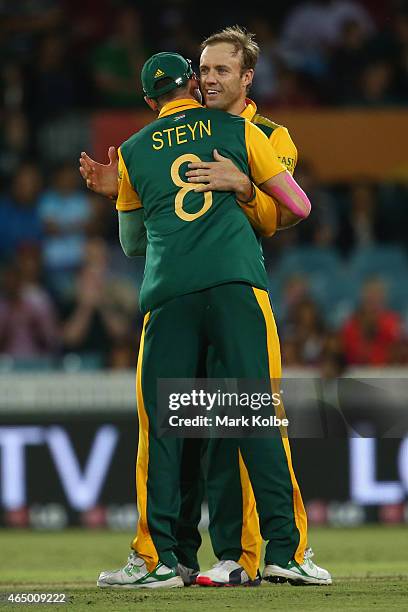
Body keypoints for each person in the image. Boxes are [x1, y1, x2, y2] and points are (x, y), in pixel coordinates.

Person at [80, 29, 331, 589]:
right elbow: (296, 206)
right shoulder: (242, 131)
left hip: (179, 289)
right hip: (234, 287)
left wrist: (242, 186)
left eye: (223, 70)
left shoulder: (256, 133)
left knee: (196, 426)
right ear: (192, 81)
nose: (213, 78)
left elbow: (136, 243)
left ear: (246, 77)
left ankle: (182, 558)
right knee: (226, 423)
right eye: (205, 69)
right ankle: (230, 557)